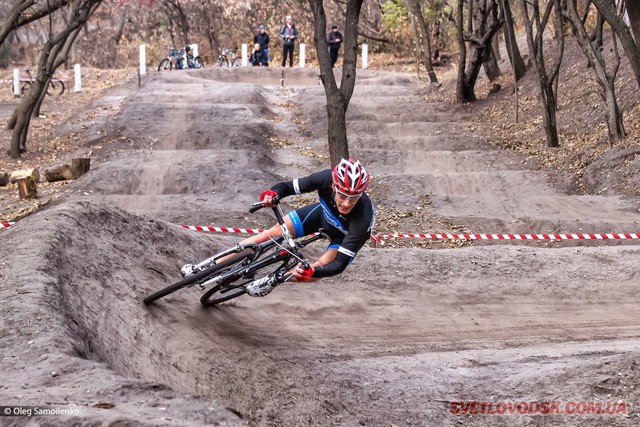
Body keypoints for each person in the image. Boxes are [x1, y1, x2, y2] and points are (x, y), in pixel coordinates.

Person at [243, 158, 374, 297]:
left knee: (318, 267)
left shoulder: (364, 216)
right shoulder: (324, 178)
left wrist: (313, 271)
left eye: (354, 198)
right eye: (343, 195)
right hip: (322, 216)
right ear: (334, 186)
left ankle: (278, 278)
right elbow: (288, 187)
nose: (347, 203)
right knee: (266, 235)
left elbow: (339, 264)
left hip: (343, 237)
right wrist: (273, 193)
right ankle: (218, 261)